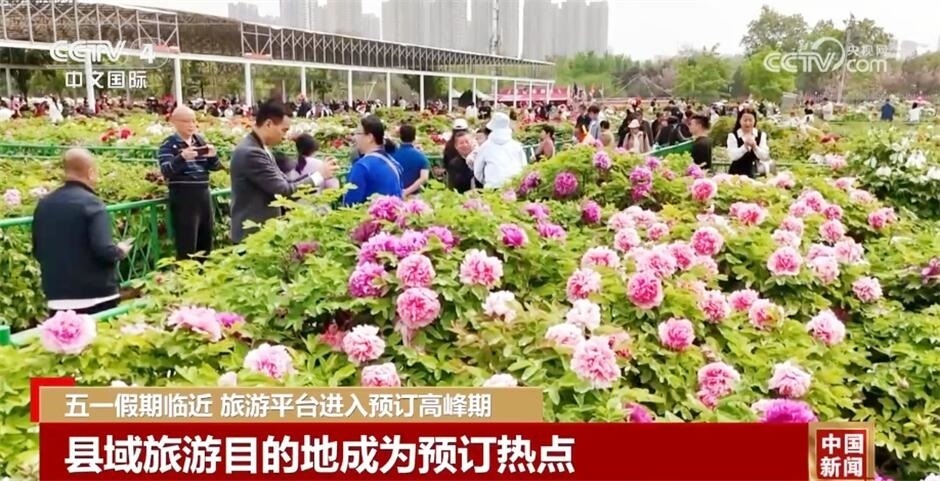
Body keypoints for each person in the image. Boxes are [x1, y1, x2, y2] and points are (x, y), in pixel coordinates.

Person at [32, 148, 132, 315]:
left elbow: (37, 250)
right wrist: (120, 251)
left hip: (57, 296)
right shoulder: (92, 204)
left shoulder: (44, 204)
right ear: (91, 172)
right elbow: (104, 250)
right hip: (96, 295)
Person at [229, 99, 338, 243]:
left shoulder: (261, 148)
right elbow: (283, 191)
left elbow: (287, 183)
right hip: (252, 237)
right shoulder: (251, 152)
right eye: (284, 130)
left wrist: (317, 174)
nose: (285, 136)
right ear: (268, 124)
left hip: (262, 235)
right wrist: (319, 176)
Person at [158, 106, 222, 261]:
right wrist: (182, 158)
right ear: (174, 122)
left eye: (193, 121)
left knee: (205, 239)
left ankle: (204, 271)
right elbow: (166, 170)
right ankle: (186, 273)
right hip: (183, 195)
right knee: (187, 242)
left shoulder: (199, 140)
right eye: (186, 121)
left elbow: (215, 167)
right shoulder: (169, 144)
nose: (191, 125)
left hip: (203, 193)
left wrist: (213, 156)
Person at [343, 115, 404, 206]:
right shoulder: (394, 163)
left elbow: (349, 205)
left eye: (358, 133)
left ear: (369, 137)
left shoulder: (362, 166)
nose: (354, 137)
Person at [473, 112, 526, 189]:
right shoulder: (517, 146)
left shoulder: (485, 146)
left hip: (493, 188)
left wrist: (488, 182)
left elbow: (477, 171)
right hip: (514, 186)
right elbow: (524, 167)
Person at [726, 107, 770, 178]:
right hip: (736, 174)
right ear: (739, 120)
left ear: (755, 120)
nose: (747, 123)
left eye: (750, 120)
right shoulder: (733, 135)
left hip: (755, 173)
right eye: (745, 120)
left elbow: (764, 156)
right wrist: (744, 147)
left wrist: (755, 147)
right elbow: (732, 156)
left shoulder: (761, 135)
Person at [392, 124, 430, 196]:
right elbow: (424, 178)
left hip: (394, 194)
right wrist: (406, 191)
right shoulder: (421, 156)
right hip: (414, 196)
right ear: (414, 137)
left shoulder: (392, 154)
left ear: (400, 136)